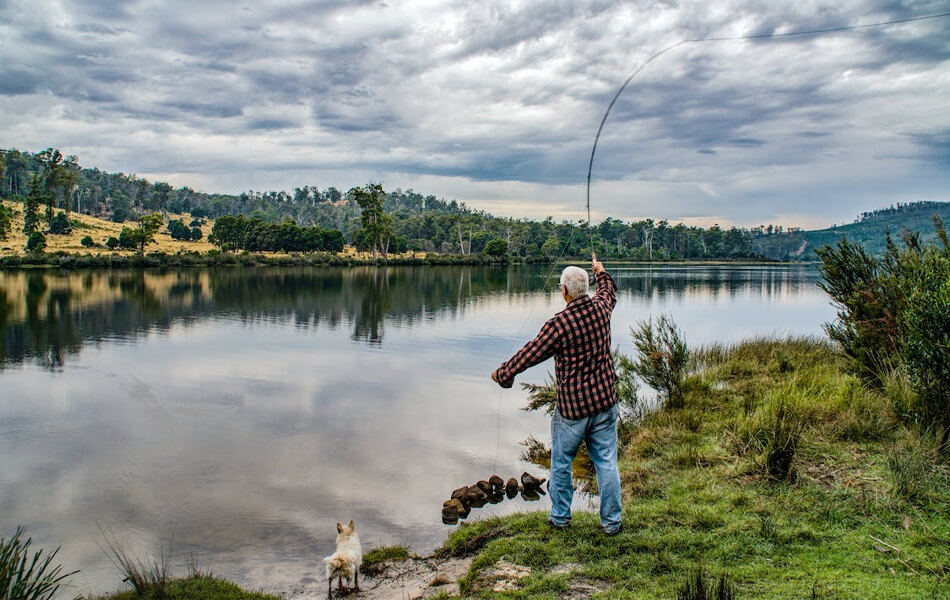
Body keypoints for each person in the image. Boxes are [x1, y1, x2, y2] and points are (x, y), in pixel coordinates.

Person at [491, 255, 621, 535]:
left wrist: (504, 373)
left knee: (561, 464)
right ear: (584, 288)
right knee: (607, 463)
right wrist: (602, 271)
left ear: (564, 291)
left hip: (573, 410)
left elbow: (531, 352)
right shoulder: (601, 308)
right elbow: (608, 291)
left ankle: (560, 518)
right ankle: (612, 523)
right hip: (605, 403)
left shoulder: (559, 324)